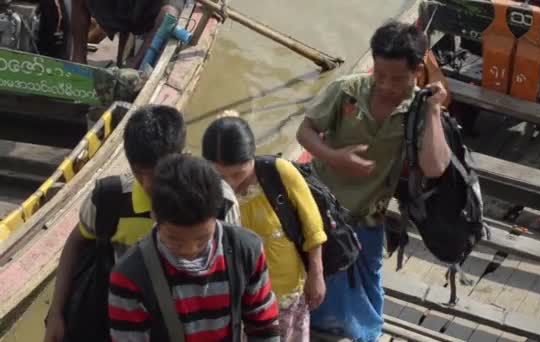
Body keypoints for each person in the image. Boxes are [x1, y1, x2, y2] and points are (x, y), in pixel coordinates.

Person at [296, 21, 451, 341]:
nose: (386, 85)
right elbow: (305, 132)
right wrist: (334, 156)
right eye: (379, 75)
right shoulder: (346, 91)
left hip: (369, 215)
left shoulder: (420, 108)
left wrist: (435, 112)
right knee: (315, 280)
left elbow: (435, 167)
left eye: (398, 78)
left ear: (417, 71)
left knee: (366, 286)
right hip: (322, 210)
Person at [43, 105, 240, 342]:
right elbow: (76, 242)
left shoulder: (218, 201)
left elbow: (235, 270)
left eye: (157, 173)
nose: (148, 184)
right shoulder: (110, 200)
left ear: (183, 156)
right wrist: (55, 313)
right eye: (138, 173)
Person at [109, 154, 280, 341]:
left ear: (216, 215)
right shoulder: (129, 275)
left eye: (202, 239)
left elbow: (264, 326)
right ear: (154, 215)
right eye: (175, 240)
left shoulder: (247, 251)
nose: (189, 250)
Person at [202, 115, 328, 341]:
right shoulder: (204, 187)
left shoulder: (279, 172)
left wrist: (316, 274)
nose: (229, 184)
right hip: (240, 297)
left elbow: (313, 226)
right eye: (221, 176)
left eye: (238, 173)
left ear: (252, 156)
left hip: (286, 290)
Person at [71, 0, 184, 68]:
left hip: (149, 14)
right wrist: (78, 56)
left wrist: (136, 61)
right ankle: (78, 59)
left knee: (169, 13)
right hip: (123, 10)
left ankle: (137, 61)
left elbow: (169, 13)